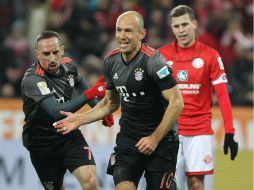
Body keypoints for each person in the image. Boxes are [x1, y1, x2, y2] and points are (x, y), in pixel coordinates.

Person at [53, 11, 184, 190]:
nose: (122, 36)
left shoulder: (154, 61)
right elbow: (110, 103)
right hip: (129, 141)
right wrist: (79, 119)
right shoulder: (110, 61)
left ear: (141, 34)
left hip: (161, 143)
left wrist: (154, 138)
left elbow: (177, 102)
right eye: (118, 30)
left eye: (128, 31)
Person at [21, 30, 114, 190]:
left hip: (67, 132)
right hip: (41, 143)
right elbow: (56, 112)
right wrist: (89, 94)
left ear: (62, 50)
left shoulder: (69, 65)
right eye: (46, 54)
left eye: (55, 52)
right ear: (37, 54)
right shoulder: (33, 80)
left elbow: (81, 83)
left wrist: (100, 109)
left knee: (91, 181)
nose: (52, 58)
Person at [158, 5, 238, 190]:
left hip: (199, 131)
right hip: (169, 130)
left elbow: (222, 95)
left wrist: (230, 132)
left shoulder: (210, 56)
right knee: (165, 184)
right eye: (176, 26)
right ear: (172, 28)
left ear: (195, 24)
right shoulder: (161, 56)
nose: (181, 30)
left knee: (196, 184)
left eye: (185, 24)